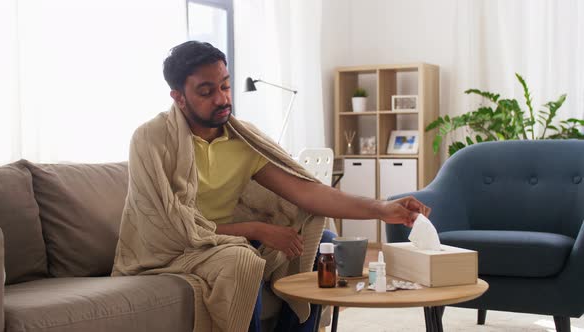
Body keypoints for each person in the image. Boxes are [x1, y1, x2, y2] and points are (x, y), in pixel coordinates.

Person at [112, 41, 430, 332]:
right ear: (178, 97)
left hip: (228, 241)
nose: (222, 98)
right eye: (206, 92)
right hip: (172, 252)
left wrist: (381, 209)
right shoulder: (150, 140)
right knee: (242, 261)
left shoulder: (243, 140)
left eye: (225, 85)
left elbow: (307, 192)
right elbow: (167, 229)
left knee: (323, 241)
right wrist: (256, 230)